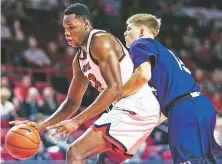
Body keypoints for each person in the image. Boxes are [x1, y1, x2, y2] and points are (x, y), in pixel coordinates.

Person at [10, 4, 162, 164]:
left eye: (71, 27)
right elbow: (72, 102)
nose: (67, 33)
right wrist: (41, 127)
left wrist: (77, 121)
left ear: (86, 24)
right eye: (64, 28)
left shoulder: (100, 41)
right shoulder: (79, 61)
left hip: (136, 106)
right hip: (129, 109)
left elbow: (115, 88)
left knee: (75, 153)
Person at [121, 13, 222, 164]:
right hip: (197, 105)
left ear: (141, 31)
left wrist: (117, 95)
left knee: (187, 160)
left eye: (129, 29)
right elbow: (167, 105)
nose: (125, 33)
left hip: (185, 108)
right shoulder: (165, 53)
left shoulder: (140, 44)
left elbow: (143, 75)